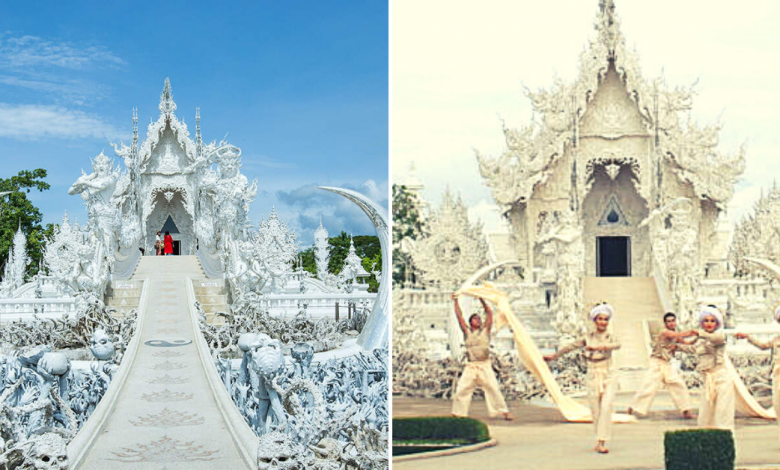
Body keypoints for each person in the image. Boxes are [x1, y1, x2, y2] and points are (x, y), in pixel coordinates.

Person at [544, 302, 621, 454]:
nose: (603, 322)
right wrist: (554, 356)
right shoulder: (587, 338)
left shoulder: (611, 337)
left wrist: (600, 347)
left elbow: (617, 345)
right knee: (596, 409)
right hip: (592, 373)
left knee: (606, 407)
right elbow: (571, 346)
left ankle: (602, 441)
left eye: (606, 319)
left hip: (608, 373)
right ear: (595, 320)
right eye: (600, 319)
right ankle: (599, 441)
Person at [450, 292, 514, 421]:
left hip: (484, 364)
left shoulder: (485, 331)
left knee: (493, 389)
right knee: (462, 389)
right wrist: (456, 301)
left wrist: (481, 299)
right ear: (470, 322)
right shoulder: (467, 331)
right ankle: (458, 413)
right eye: (475, 319)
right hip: (471, 365)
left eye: (479, 319)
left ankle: (504, 411)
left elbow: (489, 314)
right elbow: (459, 316)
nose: (478, 320)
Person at [628, 312, 697, 419]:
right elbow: (676, 336)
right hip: (656, 362)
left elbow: (687, 344)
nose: (671, 323)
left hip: (666, 364)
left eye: (673, 321)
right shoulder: (664, 332)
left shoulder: (675, 334)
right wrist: (691, 332)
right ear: (665, 323)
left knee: (678, 384)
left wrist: (699, 337)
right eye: (669, 321)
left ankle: (686, 411)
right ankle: (633, 408)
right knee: (649, 386)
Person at [677, 305, 735, 432]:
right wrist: (675, 346)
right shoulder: (701, 339)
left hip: (721, 380)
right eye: (706, 320)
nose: (709, 323)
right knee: (705, 415)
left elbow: (717, 339)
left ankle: (724, 442)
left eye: (712, 321)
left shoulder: (719, 336)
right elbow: (692, 349)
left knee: (722, 414)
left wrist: (698, 332)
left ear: (717, 323)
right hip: (708, 381)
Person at [735, 305, 780, 444]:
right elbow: (762, 345)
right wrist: (748, 337)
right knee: (778, 405)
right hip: (778, 375)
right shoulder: (777, 339)